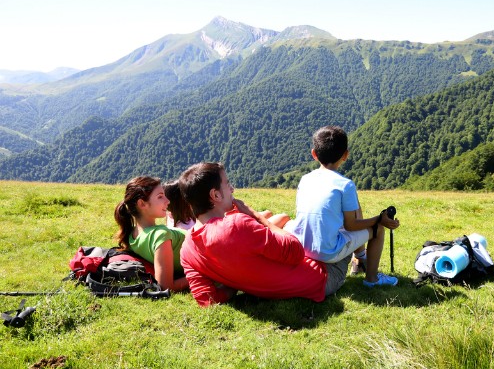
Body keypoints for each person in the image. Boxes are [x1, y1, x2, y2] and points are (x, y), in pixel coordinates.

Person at [178, 162, 349, 306]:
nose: (232, 189)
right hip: (321, 278)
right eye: (227, 184)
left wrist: (236, 283)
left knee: (290, 226)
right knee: (349, 228)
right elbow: (295, 251)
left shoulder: (187, 250)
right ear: (215, 195)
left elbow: (206, 299)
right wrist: (256, 216)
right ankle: (365, 256)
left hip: (274, 290)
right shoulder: (236, 224)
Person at [284, 125, 400, 287]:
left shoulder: (305, 179)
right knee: (378, 229)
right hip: (327, 252)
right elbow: (351, 225)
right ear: (345, 155)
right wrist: (380, 220)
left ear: (314, 154)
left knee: (354, 209)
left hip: (303, 246)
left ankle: (360, 259)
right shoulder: (345, 185)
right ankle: (372, 279)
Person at [114, 176, 190, 291]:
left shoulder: (132, 235)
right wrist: (203, 276)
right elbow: (166, 286)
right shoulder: (160, 235)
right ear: (142, 204)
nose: (167, 201)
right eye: (160, 197)